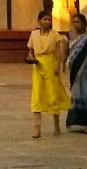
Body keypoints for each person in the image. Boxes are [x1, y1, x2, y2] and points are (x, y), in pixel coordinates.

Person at [25, 9, 70, 137]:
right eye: (44, 19)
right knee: (37, 95)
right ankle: (37, 129)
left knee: (53, 94)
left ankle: (56, 125)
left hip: (51, 65)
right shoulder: (33, 34)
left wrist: (58, 66)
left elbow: (58, 52)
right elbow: (30, 51)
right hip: (38, 66)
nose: (47, 21)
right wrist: (31, 58)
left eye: (49, 19)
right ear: (39, 21)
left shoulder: (55, 35)